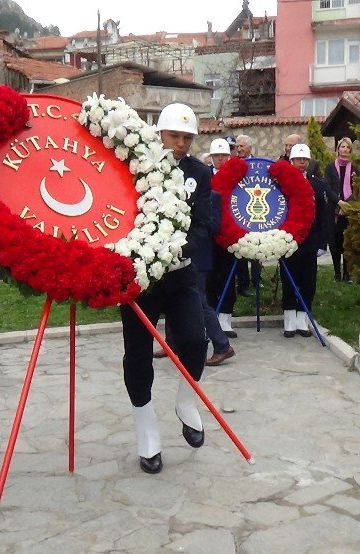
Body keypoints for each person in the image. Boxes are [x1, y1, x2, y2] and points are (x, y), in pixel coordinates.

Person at [120, 102, 213, 475]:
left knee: (194, 340)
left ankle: (186, 401)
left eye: (188, 137)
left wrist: (175, 250)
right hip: (139, 279)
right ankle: (147, 433)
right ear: (159, 134)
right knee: (138, 355)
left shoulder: (200, 173)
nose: (181, 143)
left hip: (180, 272)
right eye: (175, 135)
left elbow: (203, 224)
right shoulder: (135, 167)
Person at [281, 144, 327, 337]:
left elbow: (323, 215)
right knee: (289, 280)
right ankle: (289, 320)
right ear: (291, 161)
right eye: (298, 159)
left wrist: (322, 243)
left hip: (310, 240)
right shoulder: (281, 183)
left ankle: (303, 318)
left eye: (305, 159)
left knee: (308, 282)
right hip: (287, 240)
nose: (301, 162)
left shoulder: (317, 184)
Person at [207, 138, 238, 337]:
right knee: (210, 277)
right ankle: (210, 318)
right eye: (217, 156)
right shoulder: (204, 175)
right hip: (210, 236)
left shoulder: (237, 177)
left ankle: (225, 318)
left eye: (224, 155)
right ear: (211, 157)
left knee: (228, 275)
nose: (220, 159)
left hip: (230, 235)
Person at [232, 134, 261, 296]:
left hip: (256, 209)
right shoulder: (234, 164)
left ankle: (257, 281)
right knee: (241, 249)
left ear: (250, 147)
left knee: (257, 247)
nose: (239, 149)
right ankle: (242, 284)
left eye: (242, 146)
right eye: (238, 146)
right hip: (239, 209)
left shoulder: (258, 165)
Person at [324, 137, 355, 282]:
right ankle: (337, 273)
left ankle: (347, 274)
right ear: (337, 149)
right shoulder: (330, 167)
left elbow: (358, 188)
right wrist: (339, 203)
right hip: (333, 210)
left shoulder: (355, 168)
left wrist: (347, 205)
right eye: (342, 147)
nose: (345, 149)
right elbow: (327, 187)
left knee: (347, 242)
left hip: (349, 210)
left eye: (348, 147)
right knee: (335, 243)